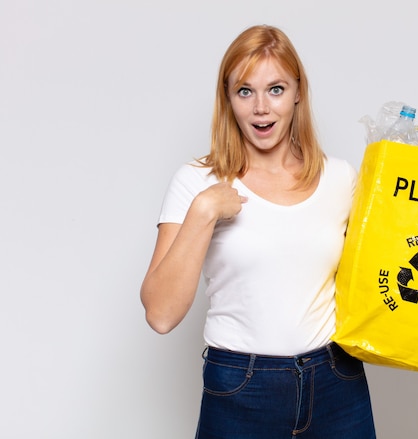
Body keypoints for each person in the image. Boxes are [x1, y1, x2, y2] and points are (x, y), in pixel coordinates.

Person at [140, 25, 376, 438]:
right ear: (228, 99)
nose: (261, 108)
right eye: (245, 91)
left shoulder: (340, 178)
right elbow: (161, 315)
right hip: (242, 387)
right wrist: (204, 210)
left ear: (298, 93)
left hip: (337, 380)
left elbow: (377, 275)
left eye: (276, 89)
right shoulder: (197, 182)